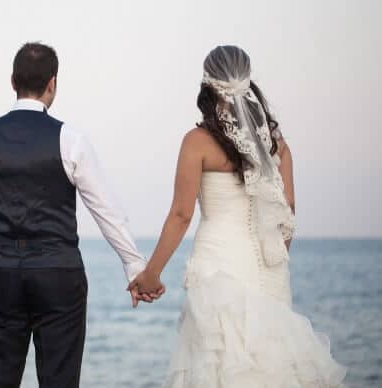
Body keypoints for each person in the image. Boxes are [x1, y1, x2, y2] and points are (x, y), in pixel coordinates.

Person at [129, 45, 347, 387]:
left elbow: (182, 214)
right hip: (269, 271)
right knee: (272, 368)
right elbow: (287, 214)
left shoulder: (197, 142)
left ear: (207, 86)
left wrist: (151, 273)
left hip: (219, 270)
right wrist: (272, 259)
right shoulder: (277, 146)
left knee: (219, 369)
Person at [0, 42, 162, 388]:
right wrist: (135, 265)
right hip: (58, 275)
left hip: (1, 274)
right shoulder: (71, 139)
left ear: (12, 81)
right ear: (52, 83)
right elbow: (105, 209)